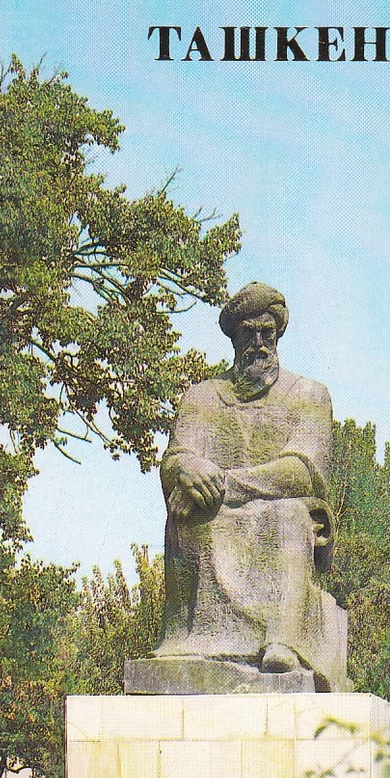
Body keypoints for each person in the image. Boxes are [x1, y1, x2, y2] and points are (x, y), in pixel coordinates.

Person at [151, 281, 348, 692]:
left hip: (281, 511)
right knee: (189, 512)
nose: (258, 343)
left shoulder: (309, 395)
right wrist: (185, 468)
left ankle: (283, 639)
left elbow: (303, 472)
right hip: (220, 512)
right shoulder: (201, 398)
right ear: (234, 336)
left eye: (267, 333)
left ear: (277, 335)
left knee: (286, 514)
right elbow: (175, 457)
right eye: (248, 333)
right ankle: (193, 640)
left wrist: (226, 484)